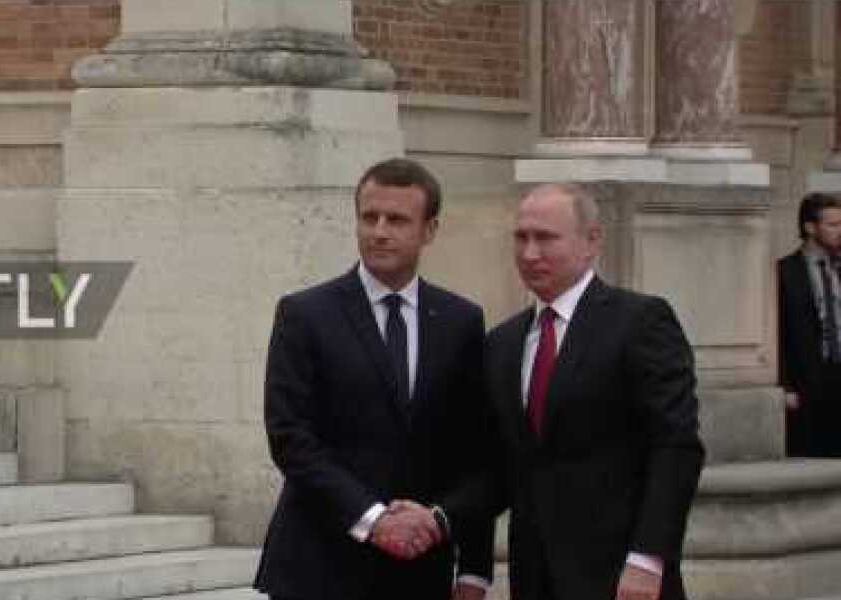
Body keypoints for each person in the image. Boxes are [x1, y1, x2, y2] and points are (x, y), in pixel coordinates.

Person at [253, 158, 501, 600]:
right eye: (370, 217)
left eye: (398, 220)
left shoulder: (460, 321)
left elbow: (474, 450)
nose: (380, 231)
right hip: (319, 566)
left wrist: (474, 570)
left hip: (419, 572)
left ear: (429, 230)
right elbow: (290, 437)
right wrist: (373, 519)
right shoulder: (305, 314)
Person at [474, 183, 704, 600]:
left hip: (622, 577)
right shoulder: (502, 344)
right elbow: (499, 468)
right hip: (535, 577)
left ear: (592, 241)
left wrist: (648, 559)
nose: (529, 254)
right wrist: (438, 521)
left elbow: (675, 446)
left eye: (545, 238)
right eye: (521, 237)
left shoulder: (640, 322)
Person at [778, 193, 841, 457]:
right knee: (812, 455)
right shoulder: (785, 272)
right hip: (808, 380)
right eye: (833, 225)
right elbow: (778, 333)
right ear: (810, 227)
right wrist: (784, 386)